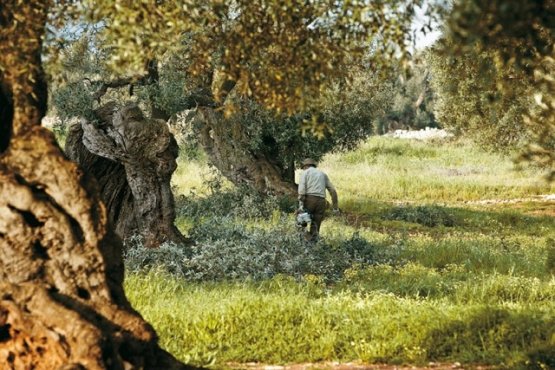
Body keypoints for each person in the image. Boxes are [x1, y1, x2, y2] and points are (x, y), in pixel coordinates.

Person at [298, 158, 339, 240]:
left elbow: (301, 191)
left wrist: (301, 206)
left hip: (309, 200)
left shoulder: (305, 173)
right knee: (316, 226)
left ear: (305, 166)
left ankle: (304, 242)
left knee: (302, 223)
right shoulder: (323, 174)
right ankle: (314, 245)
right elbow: (333, 191)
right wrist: (335, 208)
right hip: (321, 201)